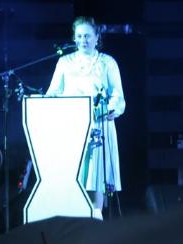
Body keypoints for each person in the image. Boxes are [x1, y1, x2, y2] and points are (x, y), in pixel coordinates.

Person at [46, 17, 125, 212]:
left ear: (97, 37)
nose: (83, 40)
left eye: (88, 36)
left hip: (98, 125)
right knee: (73, 176)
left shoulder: (107, 62)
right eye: (79, 36)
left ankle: (95, 219)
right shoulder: (64, 62)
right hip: (71, 126)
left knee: (95, 177)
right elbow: (52, 93)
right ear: (74, 38)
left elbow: (118, 96)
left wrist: (109, 109)